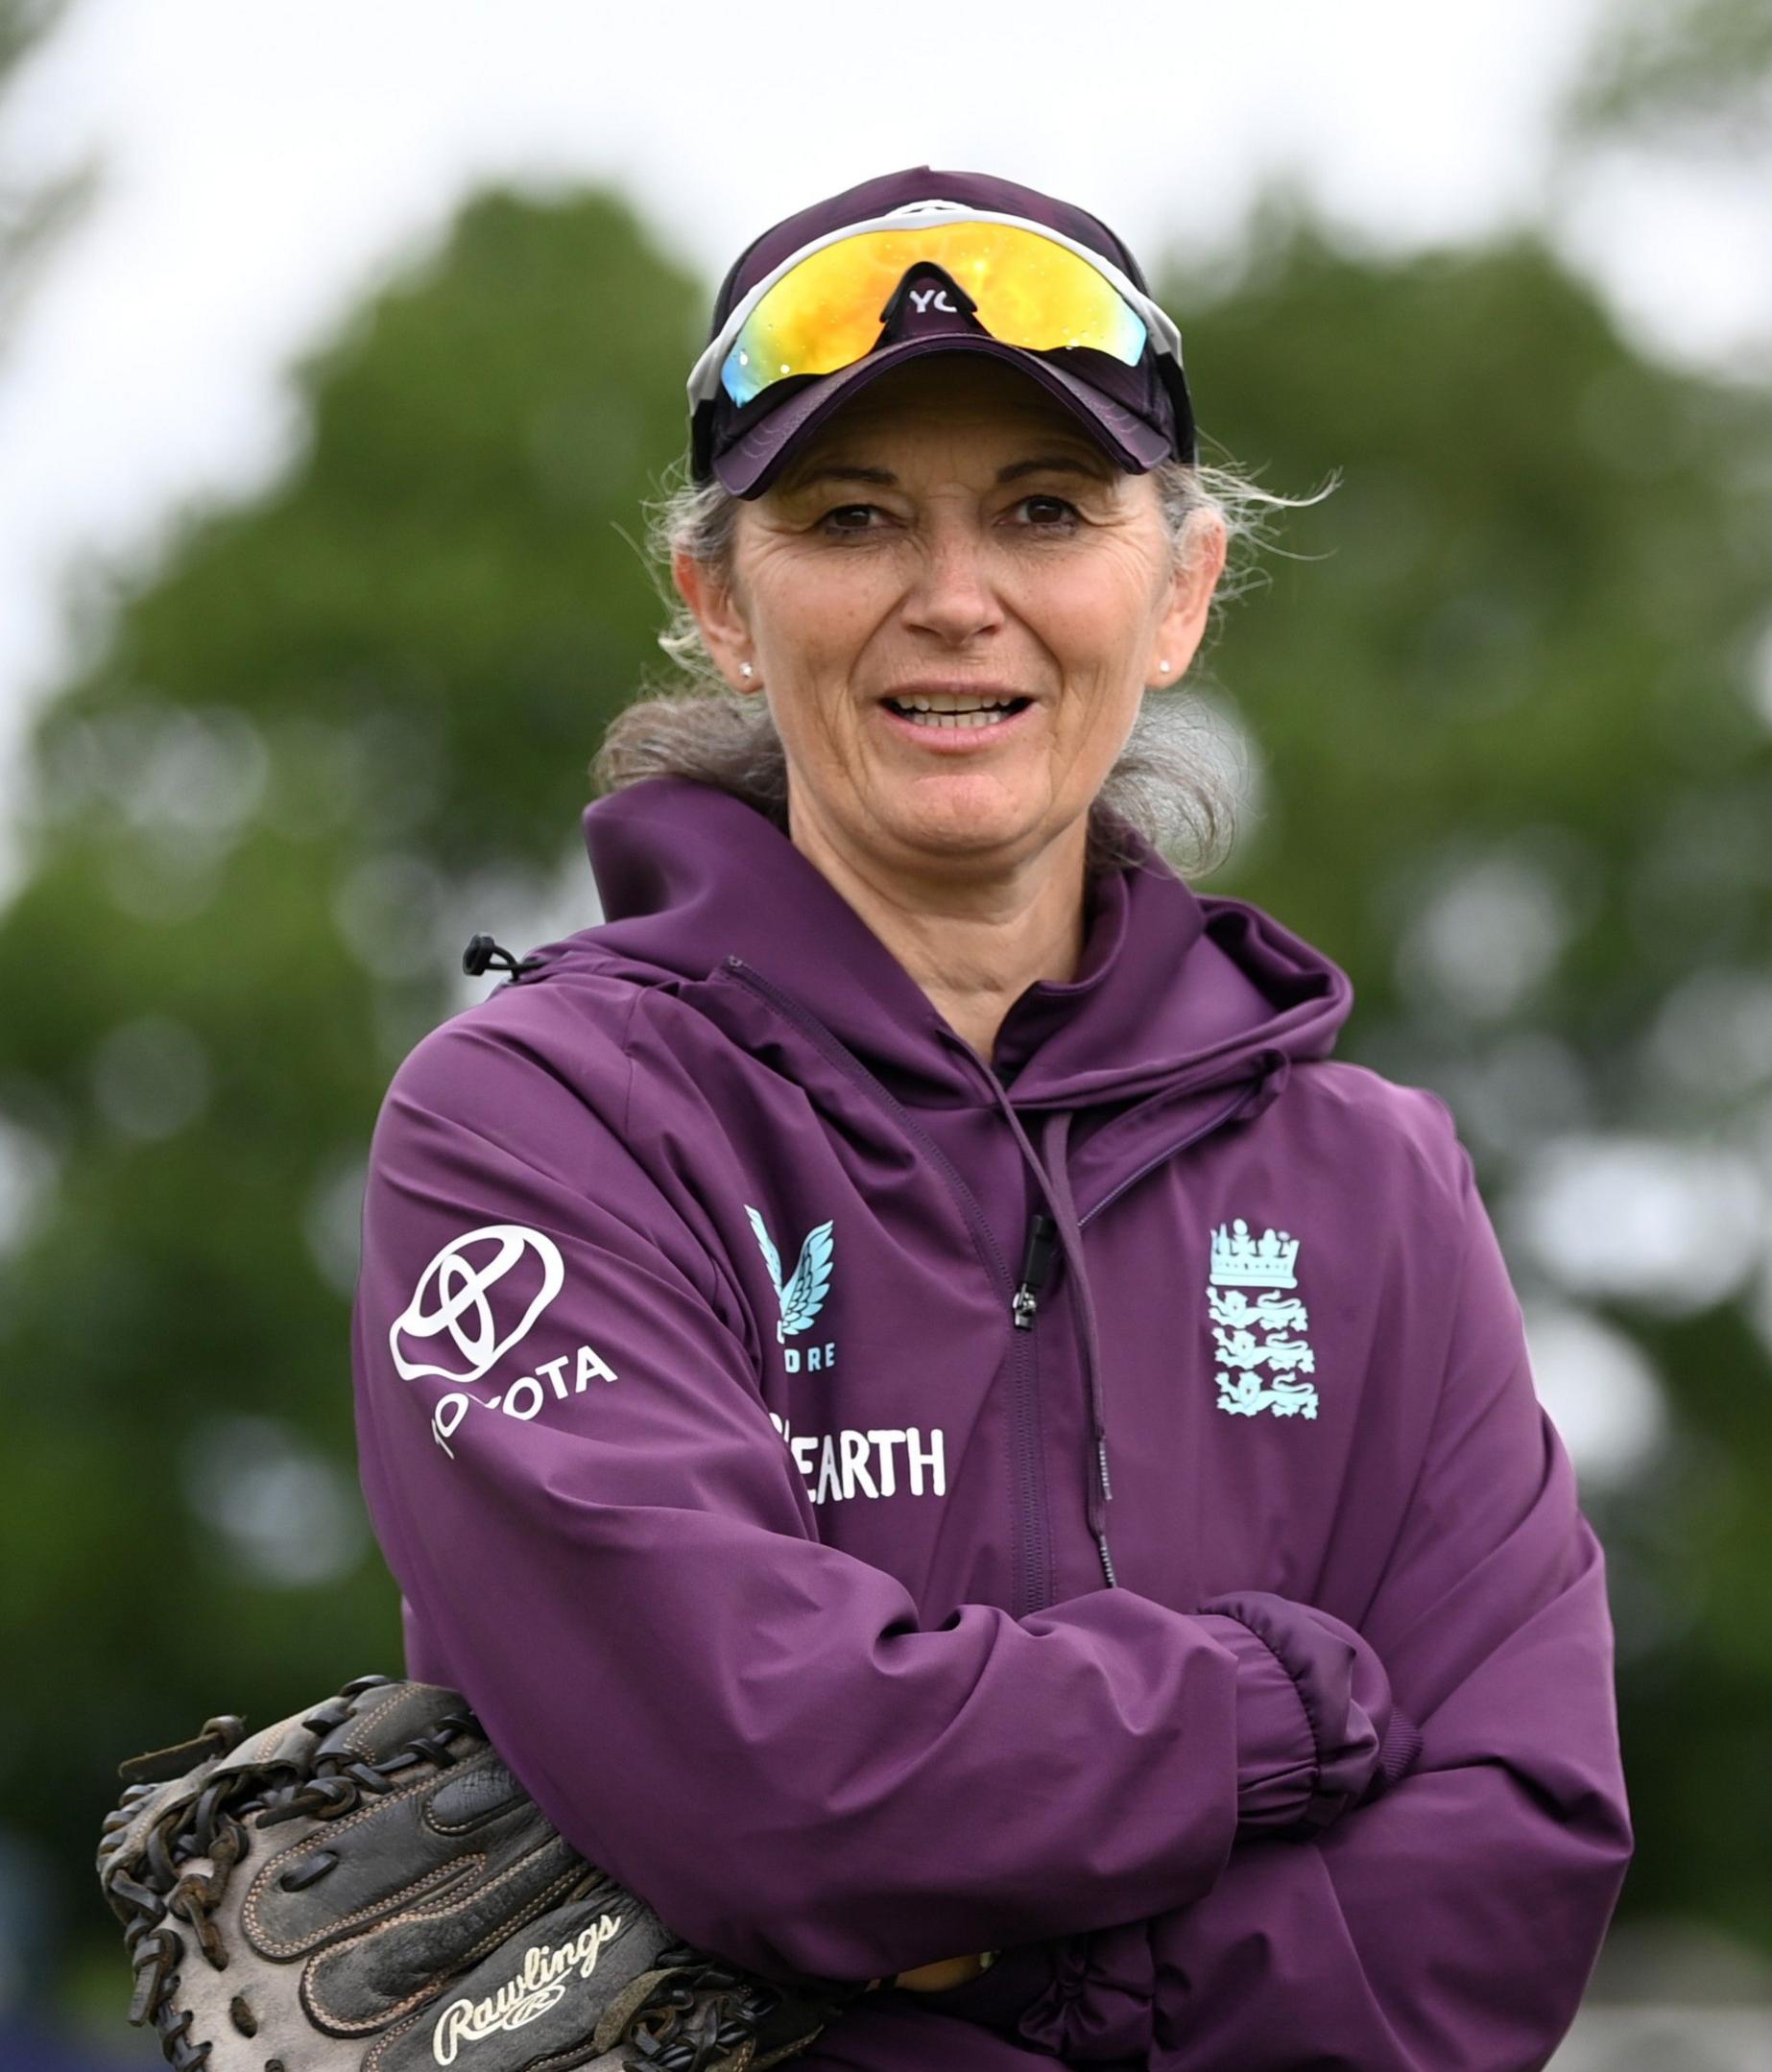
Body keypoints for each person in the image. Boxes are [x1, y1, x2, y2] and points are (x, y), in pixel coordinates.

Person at [346, 166, 1629, 2072]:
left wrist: (997, 1983)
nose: (956, 602)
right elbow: (763, 1787)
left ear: (1179, 589)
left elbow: (1508, 1876)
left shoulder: (1373, 1176)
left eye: (1044, 511)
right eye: (854, 519)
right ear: (718, 601)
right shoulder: (540, 1123)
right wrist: (1269, 1717)